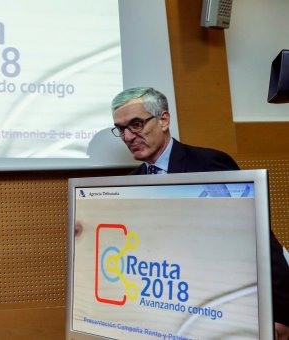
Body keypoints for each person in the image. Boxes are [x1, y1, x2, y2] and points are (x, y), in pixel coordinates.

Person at [110, 86, 289, 339]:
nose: (128, 137)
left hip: (221, 309)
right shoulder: (131, 183)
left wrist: (280, 314)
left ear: (163, 120)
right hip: (165, 313)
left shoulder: (209, 165)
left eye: (136, 124)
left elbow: (256, 239)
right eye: (121, 129)